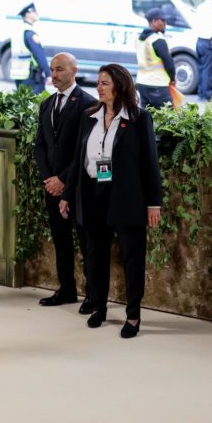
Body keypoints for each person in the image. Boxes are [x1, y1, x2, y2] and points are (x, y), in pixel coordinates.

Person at [59, 64, 162, 339]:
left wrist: (154, 203)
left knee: (132, 257)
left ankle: (133, 315)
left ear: (119, 85)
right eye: (99, 82)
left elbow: (150, 164)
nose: (99, 87)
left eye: (104, 82)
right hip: (93, 193)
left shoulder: (139, 119)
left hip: (126, 196)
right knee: (95, 255)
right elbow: (79, 161)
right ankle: (99, 307)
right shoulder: (89, 116)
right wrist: (68, 194)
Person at [34, 53, 97, 310]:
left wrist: (63, 181)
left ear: (74, 70)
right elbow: (41, 146)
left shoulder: (88, 104)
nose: (54, 75)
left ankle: (93, 295)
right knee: (61, 240)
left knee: (87, 242)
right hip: (52, 186)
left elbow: (85, 151)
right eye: (51, 69)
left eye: (59, 69)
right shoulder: (47, 105)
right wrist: (49, 178)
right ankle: (66, 289)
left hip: (78, 188)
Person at [135, 7, 175, 108]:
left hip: (141, 83)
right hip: (158, 84)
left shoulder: (140, 39)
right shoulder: (158, 40)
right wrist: (172, 78)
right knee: (168, 119)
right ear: (154, 21)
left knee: (147, 118)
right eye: (163, 20)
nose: (165, 23)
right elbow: (169, 64)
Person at [10, 3, 51, 93]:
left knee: (22, 103)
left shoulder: (19, 31)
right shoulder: (30, 33)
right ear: (27, 15)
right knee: (36, 104)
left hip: (18, 75)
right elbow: (39, 55)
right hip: (31, 76)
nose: (37, 13)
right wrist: (48, 74)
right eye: (34, 11)